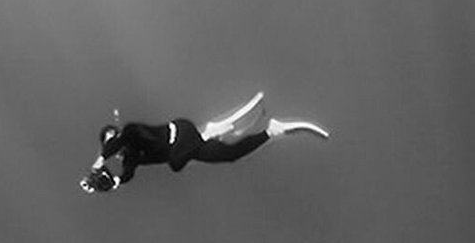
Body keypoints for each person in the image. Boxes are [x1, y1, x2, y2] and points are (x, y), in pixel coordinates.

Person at [79, 92, 328, 193]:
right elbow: (129, 172)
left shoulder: (131, 132)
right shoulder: (132, 157)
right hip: (189, 148)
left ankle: (210, 131)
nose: (117, 152)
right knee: (229, 156)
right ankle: (273, 131)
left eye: (112, 142)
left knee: (176, 163)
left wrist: (98, 163)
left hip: (182, 134)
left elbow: (115, 143)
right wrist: (114, 182)